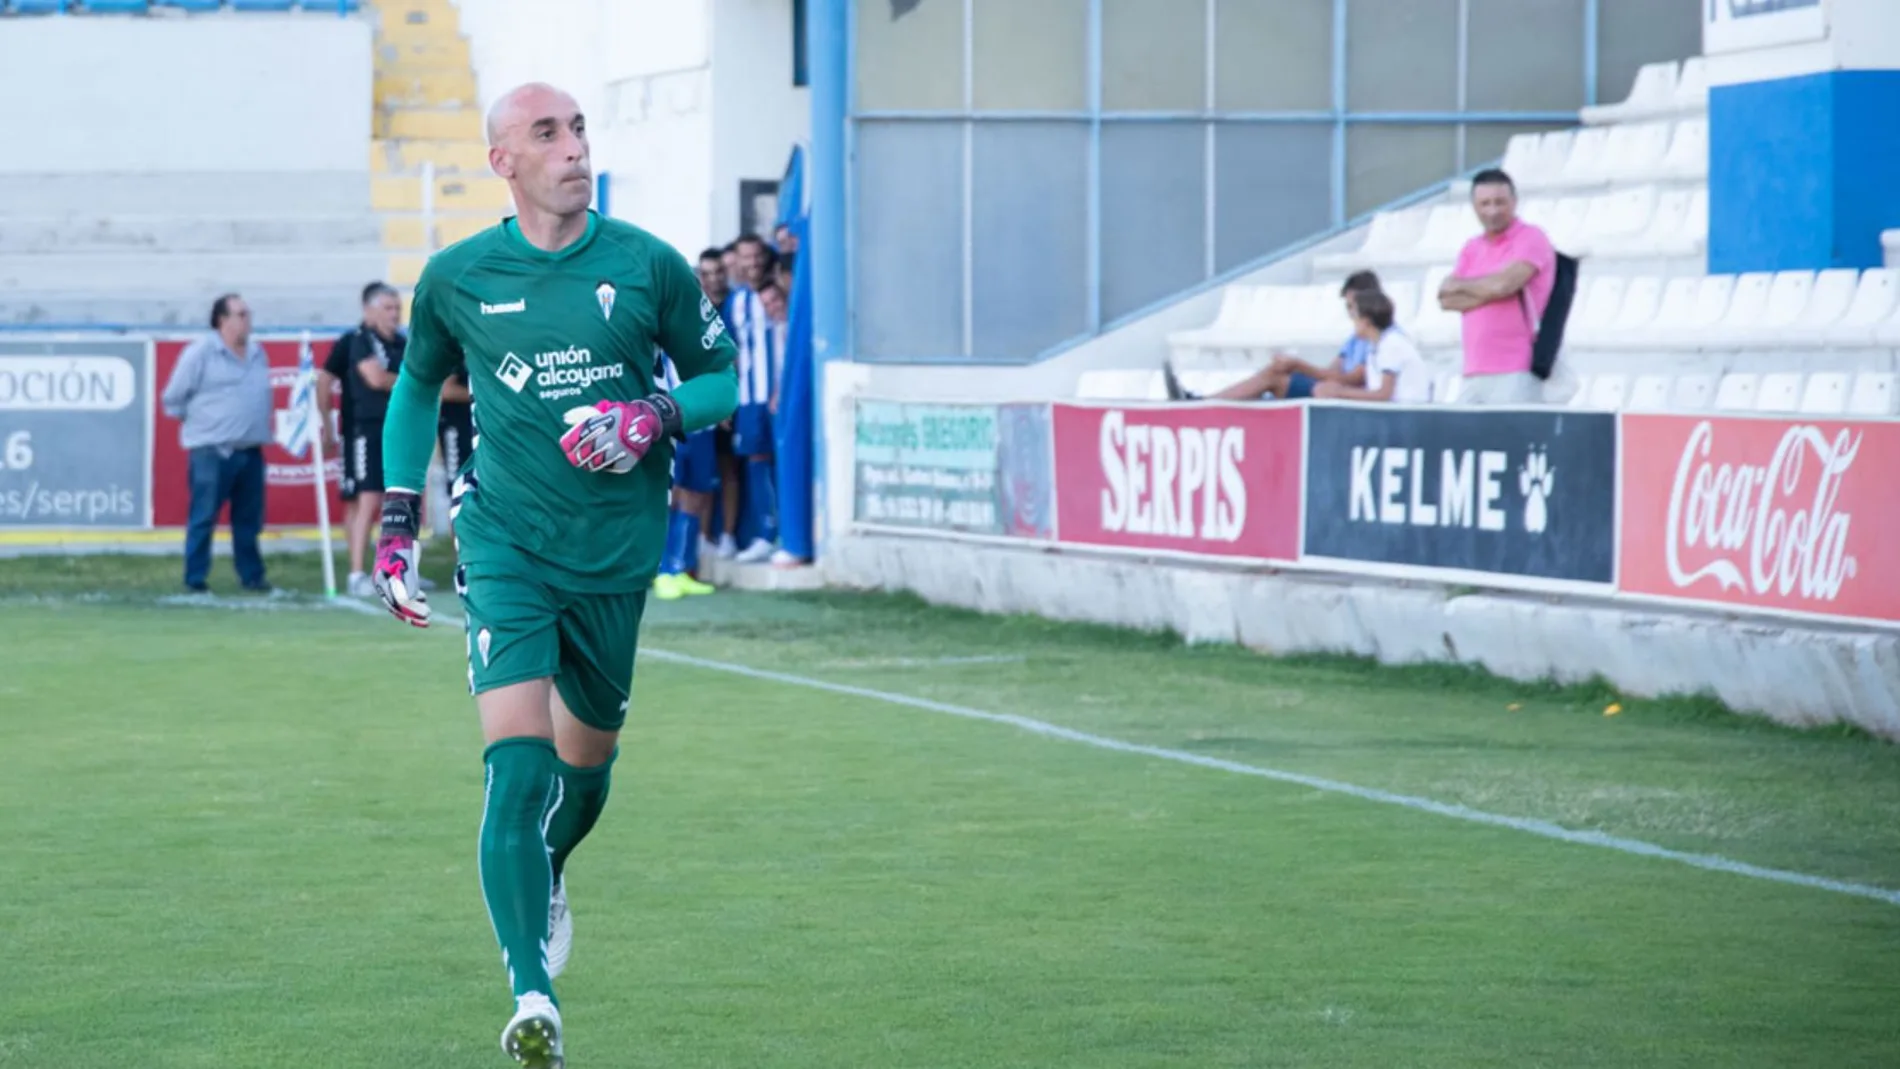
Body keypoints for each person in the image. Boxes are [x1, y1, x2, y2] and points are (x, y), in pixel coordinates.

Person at [369, 82, 738, 1069]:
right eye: (548, 133)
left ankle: (552, 864)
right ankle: (530, 991)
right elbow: (413, 391)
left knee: (585, 772)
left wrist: (651, 415)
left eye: (578, 129)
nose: (573, 147)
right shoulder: (455, 277)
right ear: (504, 162)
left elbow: (721, 378)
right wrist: (400, 520)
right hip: (505, 545)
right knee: (518, 764)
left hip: (615, 556)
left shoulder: (647, 264)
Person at [160, 293, 273, 593]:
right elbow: (173, 398)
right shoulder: (200, 353)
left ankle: (252, 575)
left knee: (248, 520)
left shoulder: (257, 352)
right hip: (212, 450)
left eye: (248, 314)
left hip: (250, 449)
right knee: (203, 517)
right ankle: (195, 578)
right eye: (241, 314)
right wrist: (204, 426)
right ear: (222, 320)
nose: (248, 320)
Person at [1165, 272, 1382, 402]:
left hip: (1342, 396)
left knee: (1273, 378)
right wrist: (1296, 367)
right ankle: (1205, 402)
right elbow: (1333, 370)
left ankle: (1205, 403)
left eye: (1352, 306)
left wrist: (1299, 365)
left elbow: (1352, 380)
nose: (1349, 312)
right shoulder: (1355, 338)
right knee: (1276, 371)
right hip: (1329, 389)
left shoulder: (1375, 338)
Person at [1437, 168, 1555, 405]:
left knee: (1512, 439)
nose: (1493, 211)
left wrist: (1465, 286)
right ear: (1474, 206)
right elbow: (1446, 299)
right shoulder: (1472, 246)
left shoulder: (1531, 237)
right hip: (1474, 368)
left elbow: (1504, 285)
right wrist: (1490, 288)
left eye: (1500, 202)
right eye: (1485, 203)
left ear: (1514, 201)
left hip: (1517, 367)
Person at [338, 283, 406, 597]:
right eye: (388, 308)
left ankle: (395, 569)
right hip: (368, 429)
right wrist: (407, 382)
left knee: (400, 500)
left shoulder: (402, 342)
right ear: (370, 310)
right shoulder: (361, 341)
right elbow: (376, 378)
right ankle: (356, 572)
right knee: (368, 499)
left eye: (397, 308)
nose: (394, 314)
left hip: (398, 429)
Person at [727, 241, 780, 563]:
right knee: (756, 462)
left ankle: (781, 530)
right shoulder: (736, 301)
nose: (753, 262)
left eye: (758, 256)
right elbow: (730, 352)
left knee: (779, 460)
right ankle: (765, 532)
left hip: (775, 394)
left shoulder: (775, 296)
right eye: (746, 257)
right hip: (748, 397)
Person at [1311, 290, 1432, 404]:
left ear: (1366, 321)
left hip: (1407, 413)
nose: (1353, 323)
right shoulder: (1375, 347)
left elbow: (1384, 394)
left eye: (1354, 317)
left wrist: (1339, 393)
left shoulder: (1392, 344)